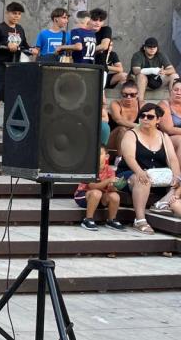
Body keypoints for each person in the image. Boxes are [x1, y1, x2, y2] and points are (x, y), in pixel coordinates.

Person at [117, 103, 181, 234]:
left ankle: (162, 203)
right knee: (142, 179)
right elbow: (129, 157)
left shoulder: (163, 136)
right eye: (142, 116)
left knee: (179, 178)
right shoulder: (131, 134)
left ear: (158, 120)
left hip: (158, 177)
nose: (145, 119)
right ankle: (139, 220)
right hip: (126, 177)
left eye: (150, 117)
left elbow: (173, 159)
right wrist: (140, 172)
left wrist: (176, 177)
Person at [0, 2, 36, 138]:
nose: (16, 16)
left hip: (15, 68)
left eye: (19, 14)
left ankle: (9, 126)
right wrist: (6, 45)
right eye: (14, 13)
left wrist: (32, 50)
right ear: (7, 13)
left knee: (12, 98)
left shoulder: (20, 29)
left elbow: (24, 46)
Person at [74, 147, 122, 231]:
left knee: (115, 196)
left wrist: (115, 186)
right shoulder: (88, 169)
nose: (96, 156)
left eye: (99, 154)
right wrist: (109, 180)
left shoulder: (110, 170)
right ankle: (88, 219)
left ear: (106, 156)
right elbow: (93, 186)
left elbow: (111, 187)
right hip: (83, 196)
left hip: (100, 197)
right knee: (96, 192)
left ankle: (111, 220)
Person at [131, 37, 176, 104]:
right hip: (141, 83)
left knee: (174, 76)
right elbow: (136, 71)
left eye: (154, 47)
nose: (152, 48)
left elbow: (172, 70)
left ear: (157, 48)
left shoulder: (161, 55)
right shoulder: (138, 55)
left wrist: (164, 72)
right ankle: (140, 102)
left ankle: (173, 101)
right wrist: (152, 70)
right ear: (144, 48)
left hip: (156, 81)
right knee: (141, 76)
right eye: (149, 47)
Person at [107, 80, 140, 153]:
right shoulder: (115, 104)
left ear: (137, 95)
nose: (128, 97)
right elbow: (119, 120)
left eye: (132, 95)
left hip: (132, 139)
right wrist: (138, 125)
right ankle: (120, 158)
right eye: (125, 95)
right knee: (122, 129)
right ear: (121, 94)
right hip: (113, 141)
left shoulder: (141, 105)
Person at [158, 78, 181, 163]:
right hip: (165, 139)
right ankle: (178, 173)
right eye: (176, 90)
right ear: (171, 91)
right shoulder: (164, 105)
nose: (179, 93)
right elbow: (168, 129)